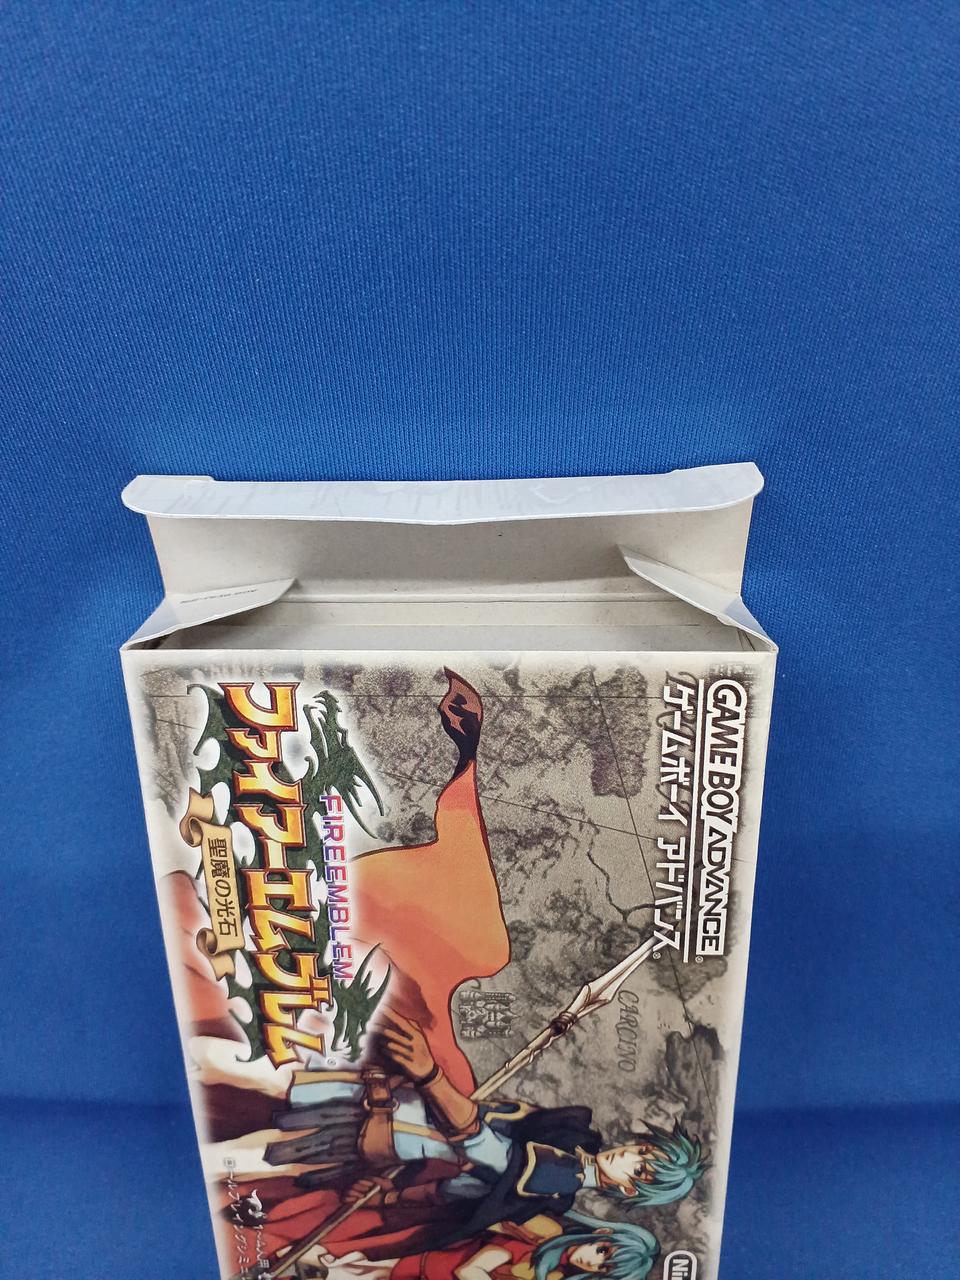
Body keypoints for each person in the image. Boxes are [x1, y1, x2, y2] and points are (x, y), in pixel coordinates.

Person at [285, 1212, 659, 1280]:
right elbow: (471, 1269)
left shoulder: (554, 1271)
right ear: (602, 1236)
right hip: (432, 1262)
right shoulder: (543, 1245)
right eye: (604, 1253)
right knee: (353, 1270)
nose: (594, 1261)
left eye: (604, 1269)